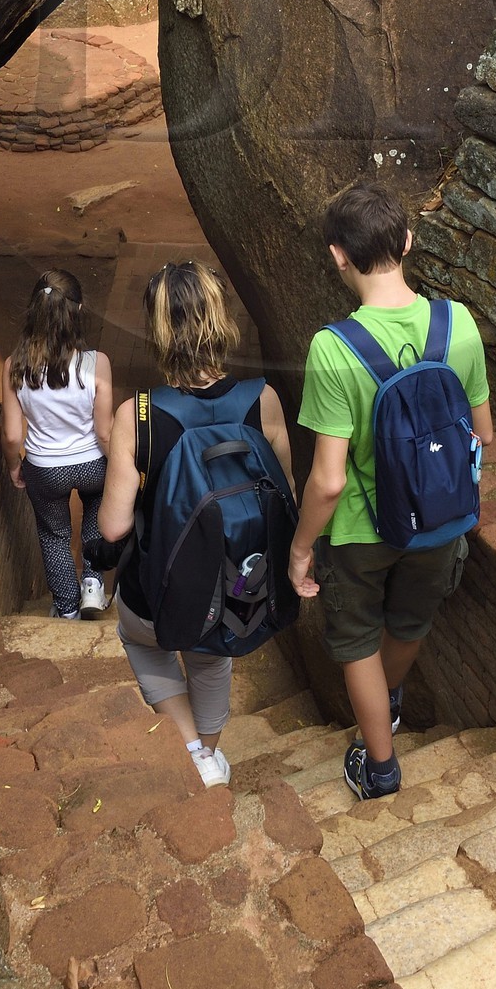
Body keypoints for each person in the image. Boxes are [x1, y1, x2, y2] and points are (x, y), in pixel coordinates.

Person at [289, 181, 492, 800]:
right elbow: (482, 433)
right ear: (407, 241)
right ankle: (392, 699)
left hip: (361, 531)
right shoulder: (458, 323)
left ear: (338, 256)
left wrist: (300, 548)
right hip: (440, 518)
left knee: (357, 643)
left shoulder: (333, 348)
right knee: (409, 622)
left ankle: (380, 769)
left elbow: (328, 480)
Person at [98, 260, 295, 790]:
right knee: (210, 660)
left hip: (154, 594)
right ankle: (208, 752)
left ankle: (192, 752)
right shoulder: (263, 400)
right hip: (233, 589)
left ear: (158, 331)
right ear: (221, 319)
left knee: (143, 641)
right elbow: (287, 496)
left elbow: (113, 528)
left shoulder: (137, 415)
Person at [1, 268, 113, 622]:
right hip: (93, 464)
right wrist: (119, 466)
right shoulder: (96, 363)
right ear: (78, 311)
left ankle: (66, 608)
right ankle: (93, 584)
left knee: (54, 535)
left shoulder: (15, 367)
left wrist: (14, 465)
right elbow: (105, 432)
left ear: (34, 311)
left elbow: (12, 435)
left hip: (45, 468)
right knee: (96, 514)